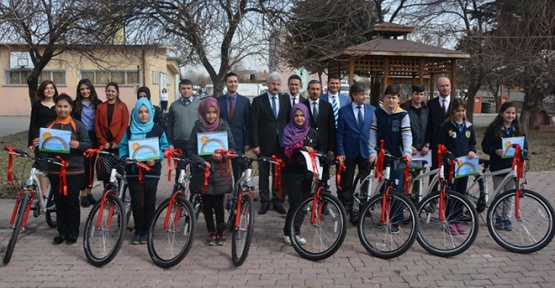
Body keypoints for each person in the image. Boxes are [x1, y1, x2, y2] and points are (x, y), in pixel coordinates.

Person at [32, 94, 92, 245]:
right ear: (55, 108)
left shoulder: (77, 125)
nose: (62, 109)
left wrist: (77, 145)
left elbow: (88, 143)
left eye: (65, 106)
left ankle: (73, 232)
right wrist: (37, 142)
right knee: (59, 201)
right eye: (59, 106)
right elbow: (43, 148)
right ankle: (62, 231)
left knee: (71, 201)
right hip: (55, 170)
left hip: (74, 170)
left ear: (71, 108)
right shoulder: (49, 127)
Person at [186, 97, 236, 246]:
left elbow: (232, 148)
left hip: (220, 172)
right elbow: (190, 150)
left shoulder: (224, 126)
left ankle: (221, 230)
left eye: (214, 112)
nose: (211, 116)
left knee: (219, 204)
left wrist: (223, 156)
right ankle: (210, 230)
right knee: (206, 204)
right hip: (204, 173)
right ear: (202, 112)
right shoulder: (197, 127)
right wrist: (202, 162)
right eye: (208, 112)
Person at [119, 98, 169, 244]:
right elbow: (122, 147)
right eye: (140, 112)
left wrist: (157, 157)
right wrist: (125, 157)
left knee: (149, 199)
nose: (143, 115)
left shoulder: (158, 130)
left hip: (151, 171)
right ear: (135, 114)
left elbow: (164, 148)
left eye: (146, 112)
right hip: (134, 171)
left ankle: (148, 230)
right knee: (136, 200)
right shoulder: (129, 130)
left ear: (151, 113)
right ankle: (138, 229)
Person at [369, 85, 413, 230]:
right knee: (384, 187)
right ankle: (384, 216)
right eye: (388, 97)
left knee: (396, 188)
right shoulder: (378, 113)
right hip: (383, 156)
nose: (391, 100)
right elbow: (373, 134)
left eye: (394, 98)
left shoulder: (403, 115)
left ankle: (395, 220)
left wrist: (407, 153)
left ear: (399, 99)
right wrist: (373, 153)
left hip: (398, 157)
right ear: (384, 98)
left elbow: (407, 135)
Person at [481, 102, 528, 231]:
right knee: (499, 193)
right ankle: (498, 218)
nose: (510, 115)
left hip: (513, 167)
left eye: (513, 113)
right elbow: (485, 145)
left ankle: (507, 217)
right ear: (501, 113)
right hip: (498, 166)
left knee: (510, 194)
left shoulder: (518, 129)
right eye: (508, 113)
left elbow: (525, 147)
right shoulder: (493, 128)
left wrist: (523, 154)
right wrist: (495, 151)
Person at [250, 72, 290, 215]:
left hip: (281, 145)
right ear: (267, 84)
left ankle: (278, 201)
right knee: (263, 174)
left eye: (278, 84)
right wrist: (255, 144)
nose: (275, 86)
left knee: (280, 174)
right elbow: (253, 124)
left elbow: (288, 122)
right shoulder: (258, 101)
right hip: (264, 144)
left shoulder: (285, 100)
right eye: (273, 83)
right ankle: (265, 202)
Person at [281, 103, 318, 245]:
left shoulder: (312, 132)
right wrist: (300, 149)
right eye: (296, 115)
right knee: (295, 203)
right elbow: (285, 152)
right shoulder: (287, 131)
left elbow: (319, 149)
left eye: (302, 115)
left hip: (307, 173)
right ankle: (287, 232)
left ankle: (296, 231)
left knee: (304, 203)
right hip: (292, 173)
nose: (299, 118)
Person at [437, 98, 476, 235]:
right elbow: (440, 145)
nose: (460, 113)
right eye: (458, 111)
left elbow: (472, 143)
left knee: (461, 192)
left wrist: (472, 151)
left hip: (464, 166)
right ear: (453, 111)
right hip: (451, 166)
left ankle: (458, 219)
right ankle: (449, 219)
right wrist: (447, 157)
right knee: (451, 193)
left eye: (463, 111)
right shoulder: (446, 127)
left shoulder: (469, 126)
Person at [336, 83, 376, 212]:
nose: (365, 96)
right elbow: (340, 133)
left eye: (366, 94)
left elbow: (374, 132)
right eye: (362, 94)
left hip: (366, 150)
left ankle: (364, 205)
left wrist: (374, 151)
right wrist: (341, 151)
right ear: (354, 95)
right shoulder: (343, 111)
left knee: (365, 179)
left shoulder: (372, 110)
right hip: (349, 151)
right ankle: (346, 205)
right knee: (347, 179)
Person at [72, 79, 102, 207]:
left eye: (87, 88)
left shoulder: (98, 104)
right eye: (82, 89)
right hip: (81, 137)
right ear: (79, 91)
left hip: (94, 137)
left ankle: (89, 192)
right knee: (83, 166)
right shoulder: (75, 104)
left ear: (91, 89)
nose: (85, 91)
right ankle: (83, 194)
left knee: (91, 166)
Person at [216, 72, 251, 179]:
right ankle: (222, 194)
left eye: (235, 81)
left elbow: (248, 124)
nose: (233, 84)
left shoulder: (245, 101)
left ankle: (237, 194)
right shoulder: (218, 101)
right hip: (221, 141)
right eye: (230, 82)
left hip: (239, 142)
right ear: (226, 83)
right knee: (221, 171)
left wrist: (247, 142)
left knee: (238, 171)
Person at [303, 80, 336, 190]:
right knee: (308, 175)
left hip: (324, 147)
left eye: (317, 89)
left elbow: (331, 128)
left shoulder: (327, 106)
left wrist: (331, 148)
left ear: (321, 91)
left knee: (324, 176)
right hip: (308, 146)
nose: (315, 91)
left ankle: (323, 202)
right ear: (308, 90)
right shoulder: (302, 106)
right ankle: (307, 201)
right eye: (312, 89)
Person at [28, 80, 58, 199]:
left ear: (55, 90)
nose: (49, 90)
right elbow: (33, 123)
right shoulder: (37, 105)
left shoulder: (59, 104)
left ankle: (55, 194)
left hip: (56, 140)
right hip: (40, 140)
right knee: (43, 167)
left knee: (55, 168)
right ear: (42, 91)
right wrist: (31, 141)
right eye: (46, 88)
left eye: (51, 88)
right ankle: (44, 195)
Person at [166, 79, 200, 180]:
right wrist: (170, 142)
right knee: (180, 171)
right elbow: (169, 125)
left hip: (195, 143)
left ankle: (195, 194)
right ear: (179, 90)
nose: (186, 91)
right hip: (178, 143)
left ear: (192, 90)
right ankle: (179, 193)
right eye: (183, 88)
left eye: (188, 88)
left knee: (196, 170)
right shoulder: (174, 106)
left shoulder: (199, 104)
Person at [423, 77, 452, 169]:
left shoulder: (456, 103)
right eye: (442, 86)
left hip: (452, 145)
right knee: (434, 175)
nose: (445, 88)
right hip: (435, 145)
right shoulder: (431, 104)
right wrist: (427, 143)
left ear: (450, 86)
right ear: (437, 88)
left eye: (447, 85)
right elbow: (429, 125)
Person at [401, 84, 429, 156]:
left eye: (421, 94)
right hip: (409, 148)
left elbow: (430, 127)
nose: (419, 96)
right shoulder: (404, 108)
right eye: (416, 94)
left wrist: (427, 144)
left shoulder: (427, 109)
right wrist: (409, 146)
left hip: (424, 149)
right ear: (412, 94)